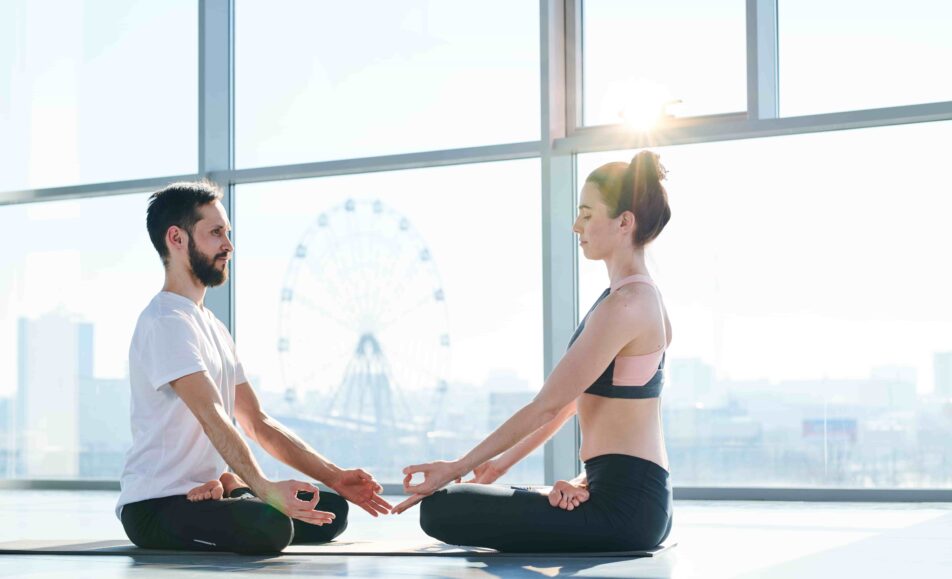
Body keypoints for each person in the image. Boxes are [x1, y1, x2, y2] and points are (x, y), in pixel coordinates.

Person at [394, 151, 674, 553]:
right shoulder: (637, 299)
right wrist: (503, 466)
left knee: (444, 508)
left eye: (587, 214)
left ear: (624, 222)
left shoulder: (625, 306)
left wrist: (453, 469)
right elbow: (571, 404)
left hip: (626, 507)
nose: (576, 225)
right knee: (477, 500)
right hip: (635, 500)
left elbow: (546, 404)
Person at [116, 181, 392, 554]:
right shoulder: (165, 321)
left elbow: (257, 422)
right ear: (176, 239)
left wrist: (336, 477)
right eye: (215, 233)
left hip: (207, 497)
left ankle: (234, 490)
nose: (228, 245)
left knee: (331, 510)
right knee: (272, 528)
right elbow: (211, 414)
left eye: (227, 233)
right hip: (156, 505)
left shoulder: (211, 325)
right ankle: (240, 493)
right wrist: (262, 487)